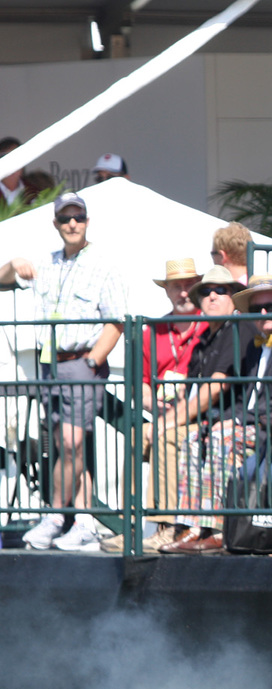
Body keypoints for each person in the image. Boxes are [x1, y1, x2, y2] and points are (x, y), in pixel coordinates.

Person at [3, 193, 126, 552]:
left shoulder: (105, 264)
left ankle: (55, 515)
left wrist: (92, 361)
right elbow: (2, 279)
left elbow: (117, 320)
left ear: (88, 221)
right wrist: (13, 263)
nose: (73, 224)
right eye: (65, 218)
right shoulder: (46, 263)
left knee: (71, 443)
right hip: (49, 362)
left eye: (79, 217)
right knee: (65, 445)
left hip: (81, 360)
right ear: (55, 223)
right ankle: (85, 519)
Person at [163, 274, 272, 555]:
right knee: (195, 439)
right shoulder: (255, 343)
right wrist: (224, 420)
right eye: (257, 309)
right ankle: (193, 526)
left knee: (222, 441)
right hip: (252, 420)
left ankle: (218, 529)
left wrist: (237, 421)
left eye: (271, 306)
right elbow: (244, 396)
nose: (264, 314)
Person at [100, 257, 209, 553]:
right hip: (162, 414)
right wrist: (153, 403)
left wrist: (173, 415)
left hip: (200, 418)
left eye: (189, 285)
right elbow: (140, 385)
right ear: (167, 291)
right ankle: (131, 526)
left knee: (164, 439)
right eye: (177, 286)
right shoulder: (153, 331)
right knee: (137, 436)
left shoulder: (209, 326)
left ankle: (167, 527)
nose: (184, 292)